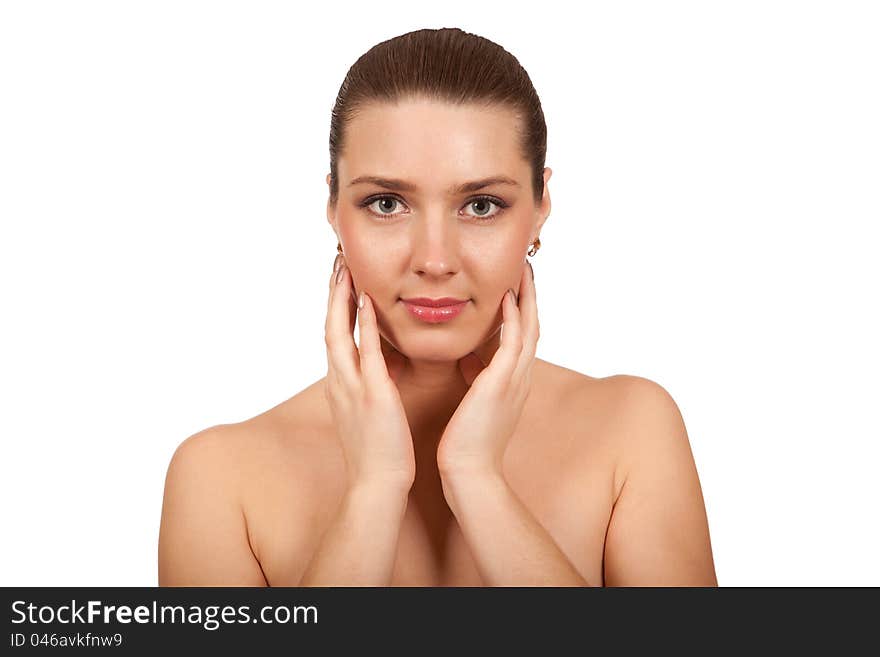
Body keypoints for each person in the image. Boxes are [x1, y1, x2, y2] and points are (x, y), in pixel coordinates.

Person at [158, 27, 717, 587]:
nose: (434, 259)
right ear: (333, 207)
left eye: (480, 205)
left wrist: (477, 480)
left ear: (540, 207)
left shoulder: (630, 431)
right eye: (386, 202)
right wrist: (373, 489)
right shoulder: (219, 479)